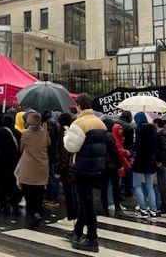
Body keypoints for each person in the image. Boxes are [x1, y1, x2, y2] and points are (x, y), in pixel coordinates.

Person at [64, 93, 107, 253]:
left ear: (79, 106)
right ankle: (78, 231)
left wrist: (66, 136)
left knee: (86, 202)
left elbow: (71, 147)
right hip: (96, 166)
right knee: (86, 199)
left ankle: (91, 237)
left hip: (82, 166)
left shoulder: (79, 123)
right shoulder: (99, 122)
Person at [17, 112, 50, 228]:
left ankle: (33, 214)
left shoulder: (25, 134)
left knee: (28, 191)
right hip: (42, 165)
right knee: (39, 191)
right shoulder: (45, 133)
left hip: (28, 165)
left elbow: (21, 148)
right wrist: (45, 131)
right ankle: (37, 211)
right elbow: (48, 144)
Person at [0, 112, 22, 215]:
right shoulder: (17, 133)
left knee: (1, 184)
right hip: (13, 163)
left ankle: (2, 206)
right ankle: (14, 205)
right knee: (12, 184)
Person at [132, 112, 157, 220]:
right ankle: (153, 210)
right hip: (151, 161)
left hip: (140, 161)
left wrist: (133, 152)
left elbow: (137, 145)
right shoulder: (154, 130)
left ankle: (143, 210)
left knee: (137, 185)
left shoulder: (138, 130)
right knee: (150, 187)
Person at [55, 113, 78, 225]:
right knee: (72, 194)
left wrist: (59, 170)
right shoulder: (72, 132)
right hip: (73, 167)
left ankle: (71, 217)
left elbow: (64, 155)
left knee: (69, 195)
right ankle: (74, 216)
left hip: (67, 170)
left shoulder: (63, 134)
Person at [101, 123, 127, 218]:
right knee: (115, 187)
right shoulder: (110, 137)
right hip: (112, 166)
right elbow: (114, 152)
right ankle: (117, 208)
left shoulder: (100, 136)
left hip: (103, 165)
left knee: (104, 188)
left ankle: (105, 209)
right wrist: (120, 165)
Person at [154, 118, 166, 218]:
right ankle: (164, 209)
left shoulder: (161, 135)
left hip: (163, 164)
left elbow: (164, 149)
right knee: (163, 187)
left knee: (163, 187)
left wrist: (159, 160)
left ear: (156, 124)